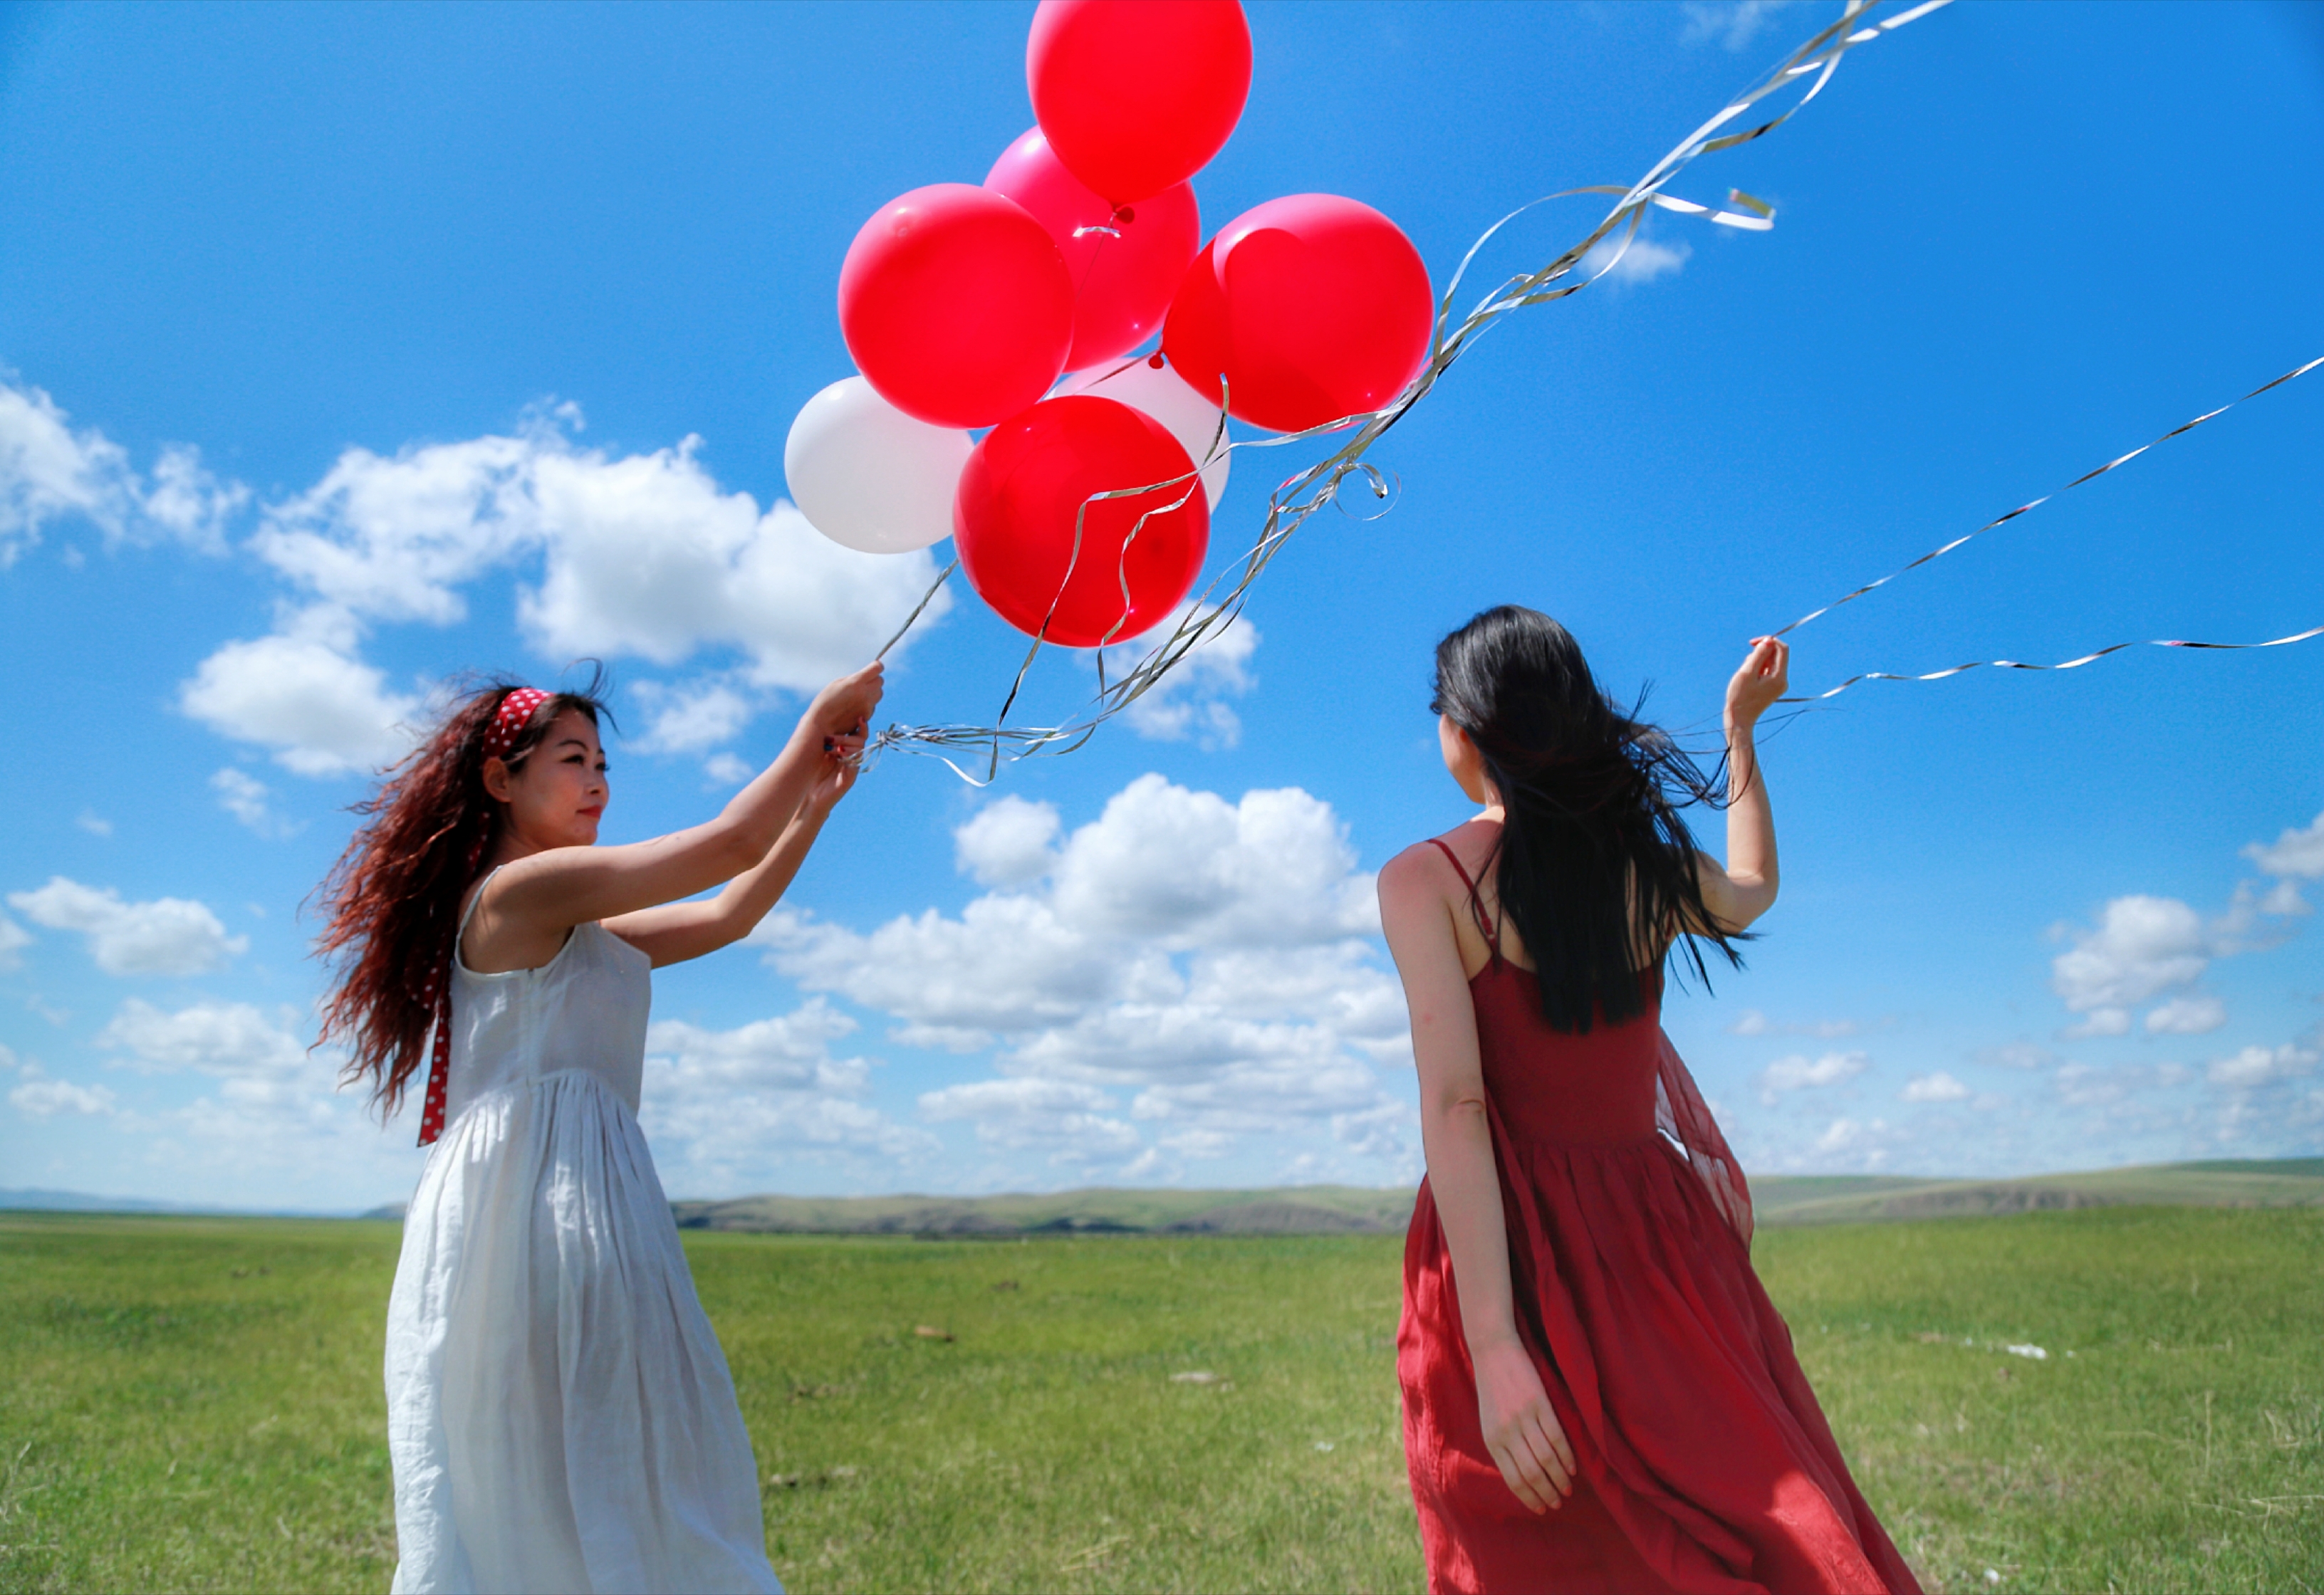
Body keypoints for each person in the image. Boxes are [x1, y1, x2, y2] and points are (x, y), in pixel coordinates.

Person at [1378, 607, 1920, 1595]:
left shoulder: (1426, 881)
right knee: (1748, 1494)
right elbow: (1753, 887)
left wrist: (1496, 1346)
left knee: (1530, 1552)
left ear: (1466, 729)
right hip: (1657, 1244)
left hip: (1502, 1254)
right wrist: (1742, 732)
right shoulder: (1643, 867)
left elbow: (1459, 1107)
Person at [314, 661, 885, 1594]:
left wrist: (815, 803)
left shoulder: (587, 928)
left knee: (614, 1471)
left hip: (591, 1207)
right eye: (572, 759)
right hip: (532, 1215)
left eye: (604, 764)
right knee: (567, 1479)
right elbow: (730, 844)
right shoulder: (516, 897)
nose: (599, 782)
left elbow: (729, 914)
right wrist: (815, 720)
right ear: (502, 780)